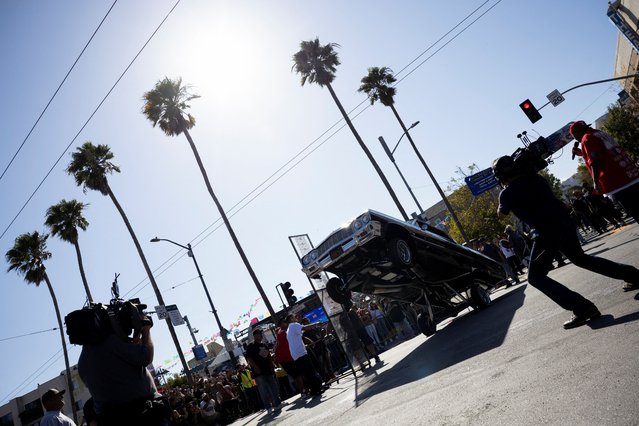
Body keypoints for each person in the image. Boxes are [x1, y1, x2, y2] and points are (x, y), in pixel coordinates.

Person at [492, 155, 639, 329]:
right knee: (580, 258)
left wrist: (501, 202)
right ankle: (633, 275)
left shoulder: (507, 193)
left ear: (501, 176)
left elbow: (502, 214)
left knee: (536, 277)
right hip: (565, 223)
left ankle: (583, 308)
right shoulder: (536, 179)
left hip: (546, 232)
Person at [77, 302, 169, 425]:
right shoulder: (111, 342)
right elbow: (146, 357)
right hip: (142, 416)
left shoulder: (82, 361)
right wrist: (146, 329)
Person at [570, 120, 639, 222]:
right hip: (629, 174)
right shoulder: (598, 133)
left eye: (574, 136)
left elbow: (595, 161)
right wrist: (583, 153)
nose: (575, 139)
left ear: (577, 133)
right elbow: (605, 153)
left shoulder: (587, 139)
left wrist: (596, 182)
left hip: (618, 181)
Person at [286, 314, 324, 397]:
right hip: (301, 353)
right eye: (293, 317)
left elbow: (301, 334)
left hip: (296, 355)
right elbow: (304, 328)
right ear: (290, 319)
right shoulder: (293, 325)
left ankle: (314, 390)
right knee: (310, 371)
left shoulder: (289, 329)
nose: (295, 318)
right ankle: (317, 388)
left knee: (306, 373)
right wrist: (315, 324)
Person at [245, 328, 282, 414]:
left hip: (268, 370)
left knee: (273, 387)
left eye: (260, 334)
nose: (260, 336)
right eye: (258, 334)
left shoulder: (264, 345)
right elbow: (249, 358)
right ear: (254, 336)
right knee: (263, 390)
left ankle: (277, 404)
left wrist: (272, 366)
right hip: (258, 373)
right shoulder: (251, 346)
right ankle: (268, 407)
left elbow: (269, 357)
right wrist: (255, 367)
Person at [274, 317, 304, 395]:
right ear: (281, 324)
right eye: (285, 322)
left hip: (284, 358)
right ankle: (303, 390)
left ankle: (302, 391)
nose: (287, 323)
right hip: (287, 357)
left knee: (295, 375)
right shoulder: (284, 331)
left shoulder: (280, 331)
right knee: (297, 374)